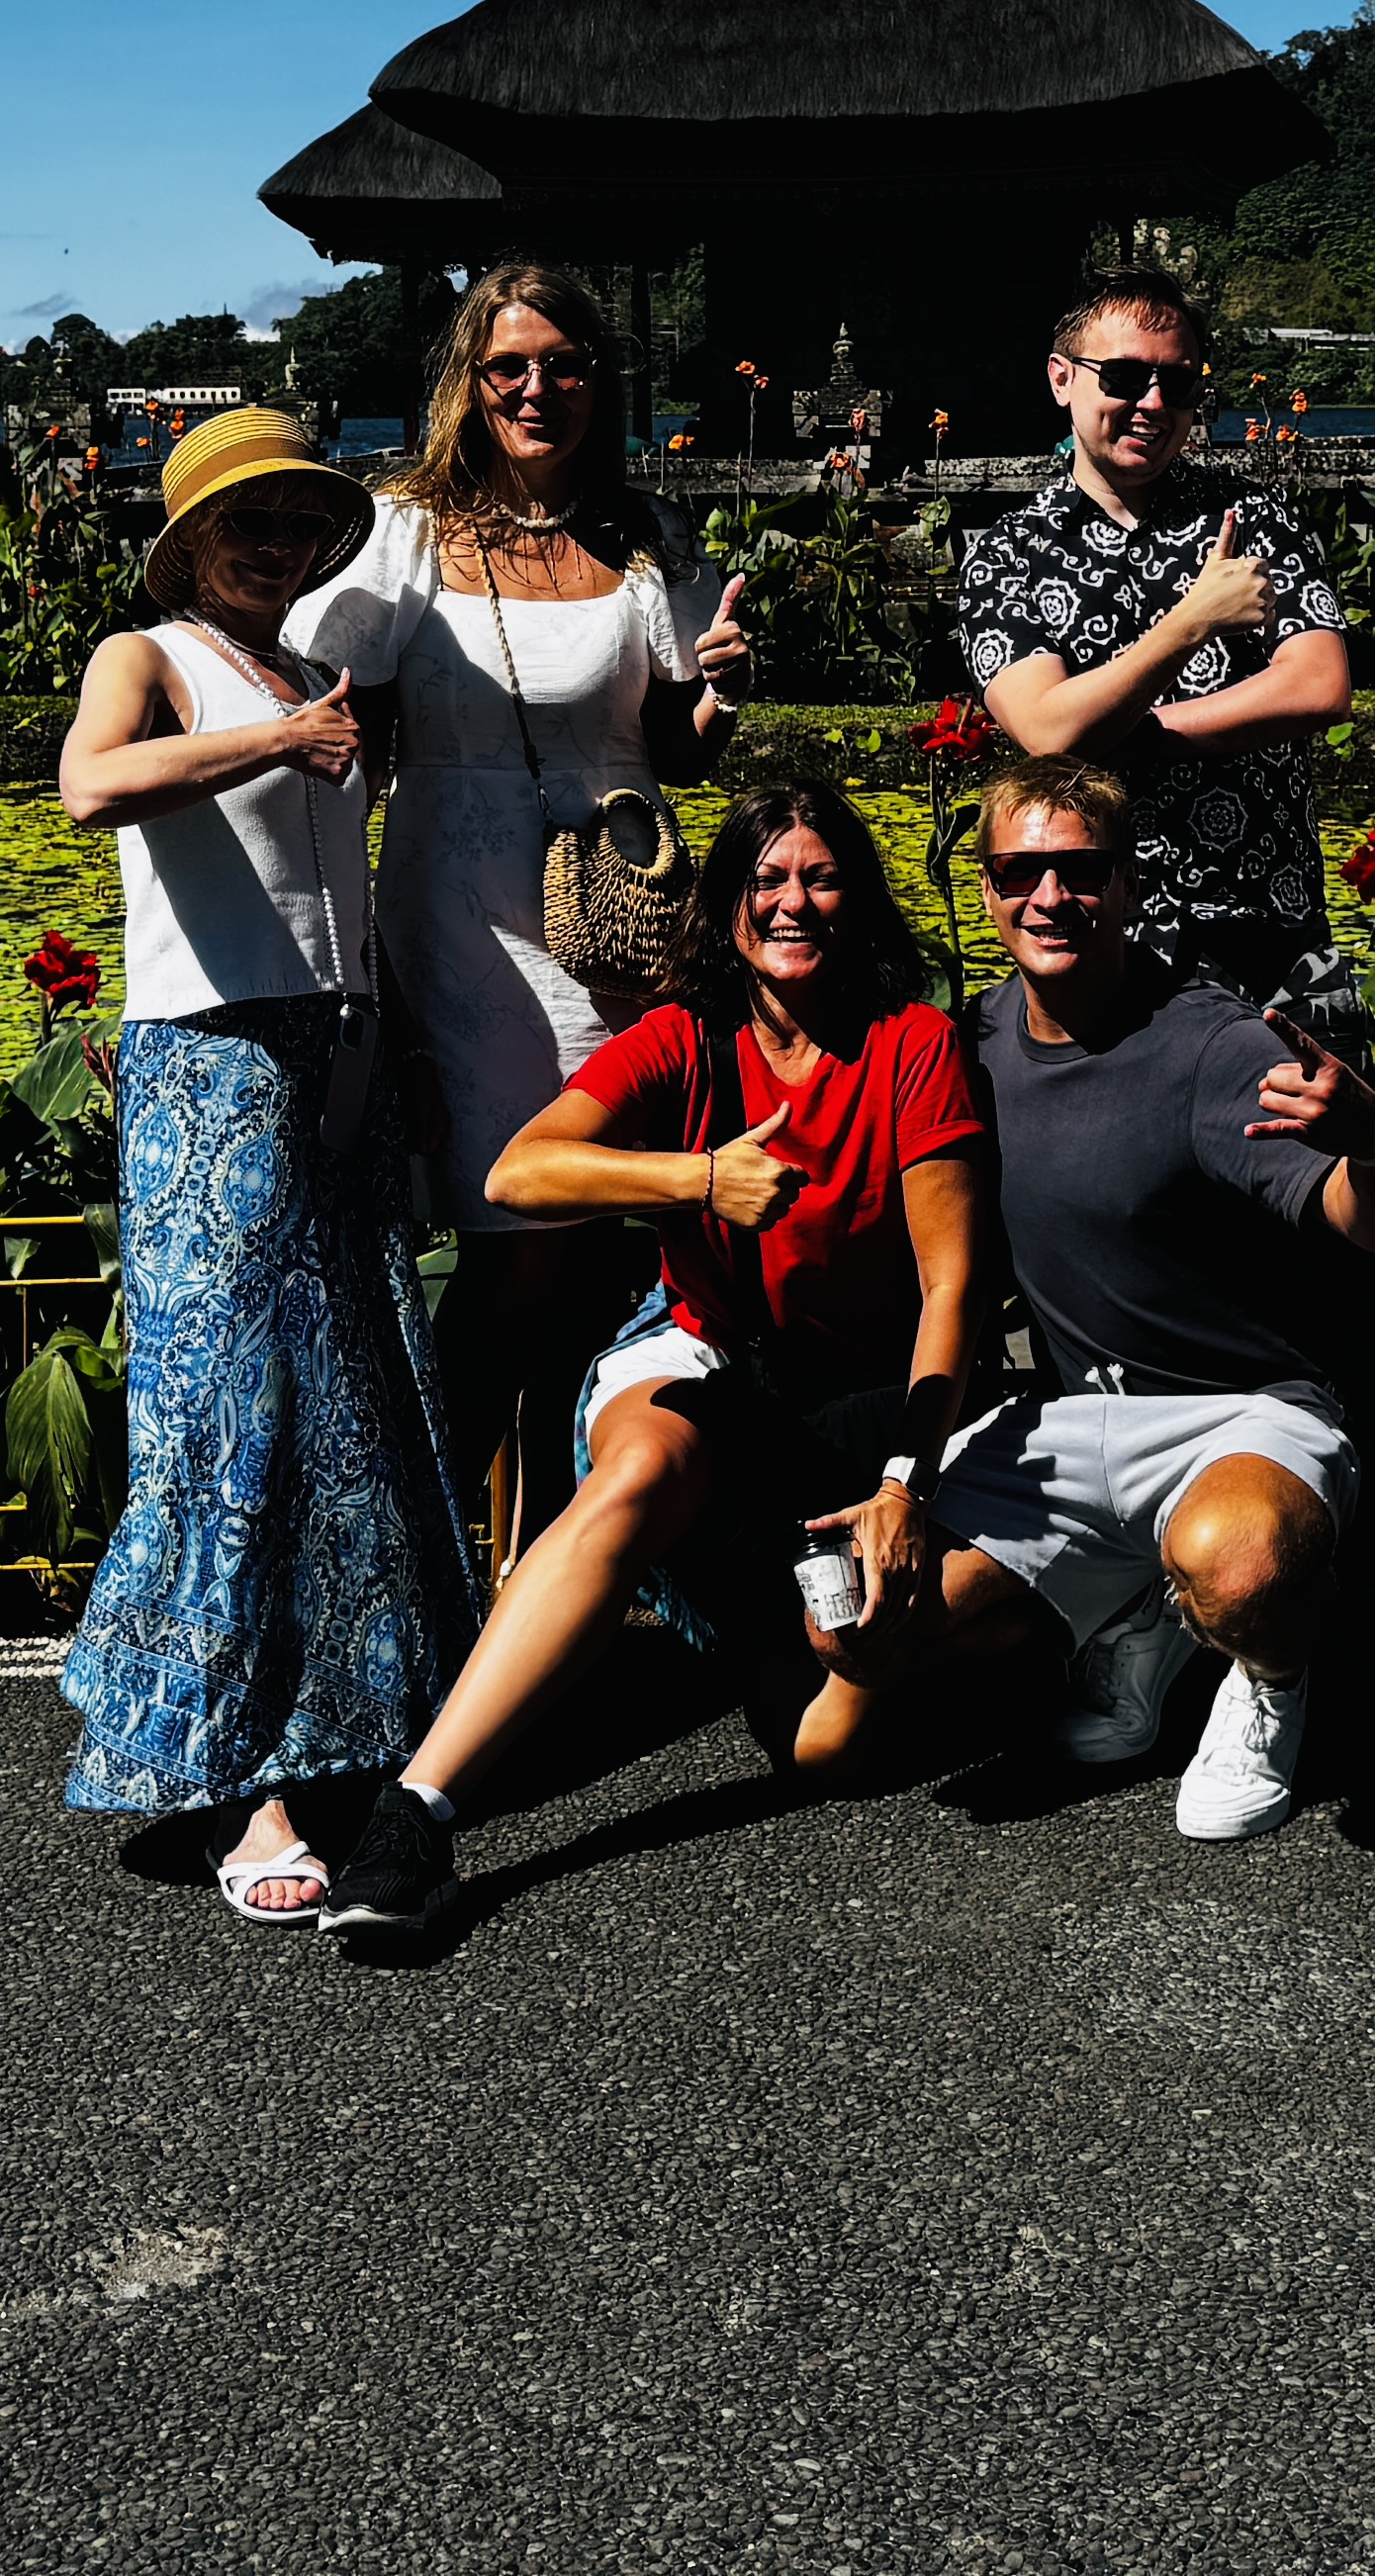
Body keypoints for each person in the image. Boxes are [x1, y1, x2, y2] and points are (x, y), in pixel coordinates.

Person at [316, 777, 987, 1939]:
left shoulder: (911, 1044)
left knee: (819, 1745)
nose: (793, 903)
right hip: (710, 1359)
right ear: (725, 906)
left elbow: (954, 1286)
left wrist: (901, 1482)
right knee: (630, 1475)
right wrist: (695, 1176)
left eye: (821, 877)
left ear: (859, 900)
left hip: (868, 1407)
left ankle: (800, 1610)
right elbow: (518, 1173)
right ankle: (417, 1812)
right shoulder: (681, 1041)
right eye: (766, 881)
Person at [49, 407, 475, 1924]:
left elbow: (335, 888)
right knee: (228, 1411)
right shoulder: (146, 655)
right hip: (211, 1060)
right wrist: (285, 740)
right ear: (189, 541)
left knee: (349, 1403)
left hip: (337, 1056)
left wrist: (397, 1041)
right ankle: (247, 1784)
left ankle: (350, 1726)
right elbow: (91, 784)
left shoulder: (311, 674)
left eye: (300, 523)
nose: (280, 547)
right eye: (249, 524)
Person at [292, 264, 755, 1506]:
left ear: (601, 379)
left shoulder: (642, 533)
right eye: (509, 367)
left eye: (563, 362)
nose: (537, 387)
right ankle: (425, 1549)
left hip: (623, 916)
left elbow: (670, 754)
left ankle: (565, 1552)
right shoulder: (407, 533)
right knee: (517, 1247)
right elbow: (342, 727)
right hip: (467, 925)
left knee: (612, 1244)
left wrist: (720, 688)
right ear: (469, 384)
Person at [919, 751, 1375, 1845]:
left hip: (1241, 1416)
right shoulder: (970, 1044)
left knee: (1238, 1566)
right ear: (990, 887)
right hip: (1069, 1422)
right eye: (1018, 873)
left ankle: (1270, 1669)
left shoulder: (1212, 1044)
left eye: (1081, 871)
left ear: (1131, 885)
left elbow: (1369, 1225)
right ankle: (1144, 1615)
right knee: (890, 1621)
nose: (1049, 898)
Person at [951, 264, 1356, 1000]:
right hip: (1102, 948)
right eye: (1126, 378)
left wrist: (1134, 734)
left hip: (1269, 934)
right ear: (1061, 378)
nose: (1154, 404)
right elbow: (1048, 729)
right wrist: (1194, 621)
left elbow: (1320, 684)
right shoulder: (1010, 552)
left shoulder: (1252, 517)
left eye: (1180, 383)